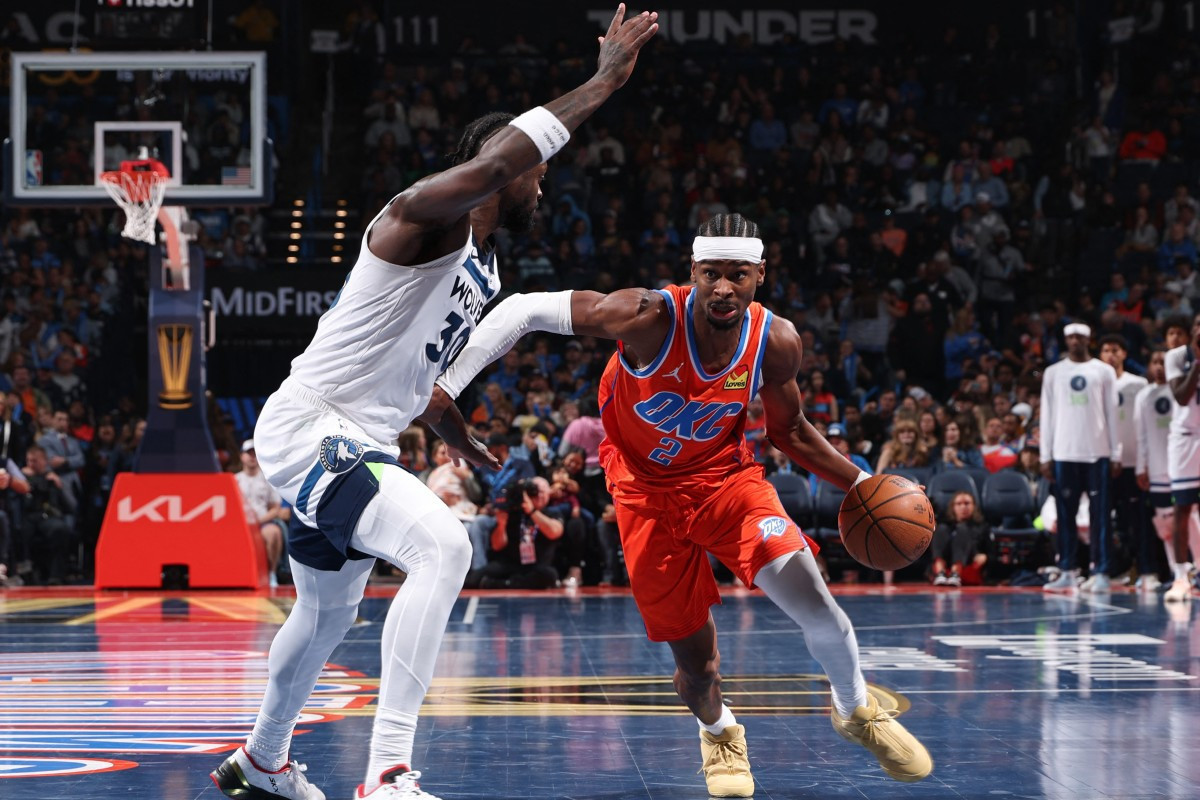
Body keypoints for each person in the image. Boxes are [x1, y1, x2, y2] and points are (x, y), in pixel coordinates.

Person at [210, 9, 659, 800]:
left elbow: (414, 372)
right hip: (314, 423)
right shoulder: (418, 217)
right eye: (535, 171)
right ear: (499, 165)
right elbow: (496, 165)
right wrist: (603, 80)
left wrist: (454, 429)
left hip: (358, 434)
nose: (542, 183)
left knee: (323, 617)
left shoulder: (481, 270)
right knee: (444, 549)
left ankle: (262, 760)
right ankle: (385, 774)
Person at [432, 213, 932, 796]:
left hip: (726, 483)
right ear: (691, 271)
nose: (723, 288)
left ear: (760, 275)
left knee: (815, 599)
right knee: (696, 668)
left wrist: (863, 482)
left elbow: (790, 430)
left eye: (737, 275)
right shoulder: (647, 317)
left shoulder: (776, 341)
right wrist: (447, 388)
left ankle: (854, 709)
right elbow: (522, 310)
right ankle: (720, 734)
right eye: (711, 274)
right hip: (643, 497)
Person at [1039, 323, 1120, 592]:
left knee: (1100, 515)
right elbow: (1047, 414)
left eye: (1080, 337)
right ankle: (1067, 570)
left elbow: (1112, 413)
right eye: (1070, 337)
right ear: (1065, 340)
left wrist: (1116, 452)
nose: (1075, 341)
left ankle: (1101, 571)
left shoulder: (1104, 371)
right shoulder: (1053, 373)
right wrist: (1045, 455)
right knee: (1065, 515)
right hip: (1063, 452)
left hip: (1097, 452)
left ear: (1088, 339)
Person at [1098, 334, 1148, 583]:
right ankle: (1106, 570)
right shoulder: (1094, 384)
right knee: (1105, 521)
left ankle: (1144, 569)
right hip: (1103, 462)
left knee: (1137, 520)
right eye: (1106, 350)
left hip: (1132, 461)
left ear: (1124, 354)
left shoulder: (1138, 384)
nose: (1110, 354)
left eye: (1115, 350)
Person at [1163, 312, 1200, 602]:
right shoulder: (1176, 356)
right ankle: (1180, 576)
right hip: (1185, 440)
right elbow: (1181, 396)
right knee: (1182, 508)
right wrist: (1198, 361)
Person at [235, 439, 288, 588]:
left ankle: (271, 573)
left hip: (263, 522)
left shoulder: (268, 480)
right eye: (248, 453)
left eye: (255, 453)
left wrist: (258, 521)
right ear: (242, 456)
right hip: (239, 524)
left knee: (274, 533)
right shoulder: (234, 480)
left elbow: (275, 508)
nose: (252, 457)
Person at [930, 491, 990, 586]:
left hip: (969, 563)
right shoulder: (945, 524)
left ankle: (955, 573)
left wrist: (985, 556)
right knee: (941, 528)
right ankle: (940, 573)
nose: (963, 507)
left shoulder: (982, 526)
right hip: (946, 559)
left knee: (963, 528)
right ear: (953, 507)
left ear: (974, 506)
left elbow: (991, 550)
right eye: (959, 504)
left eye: (967, 503)